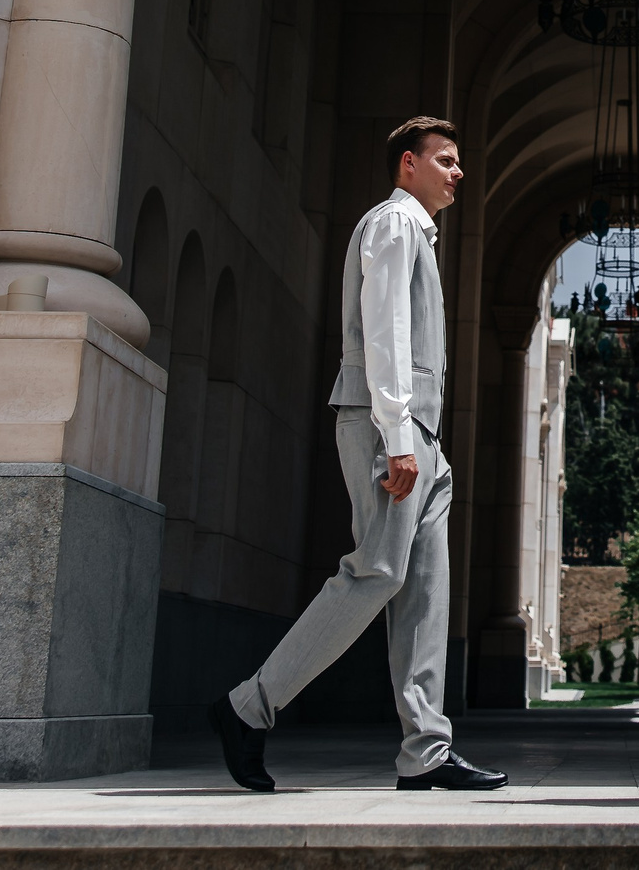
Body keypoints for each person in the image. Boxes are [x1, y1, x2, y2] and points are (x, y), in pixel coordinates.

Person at [207, 116, 507, 794]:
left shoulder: (419, 234)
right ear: (409, 164)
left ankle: (427, 748)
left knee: (425, 589)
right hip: (388, 427)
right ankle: (246, 708)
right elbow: (386, 331)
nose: (459, 172)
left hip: (419, 435)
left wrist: (420, 440)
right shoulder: (395, 224)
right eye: (447, 161)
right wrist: (398, 436)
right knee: (374, 571)